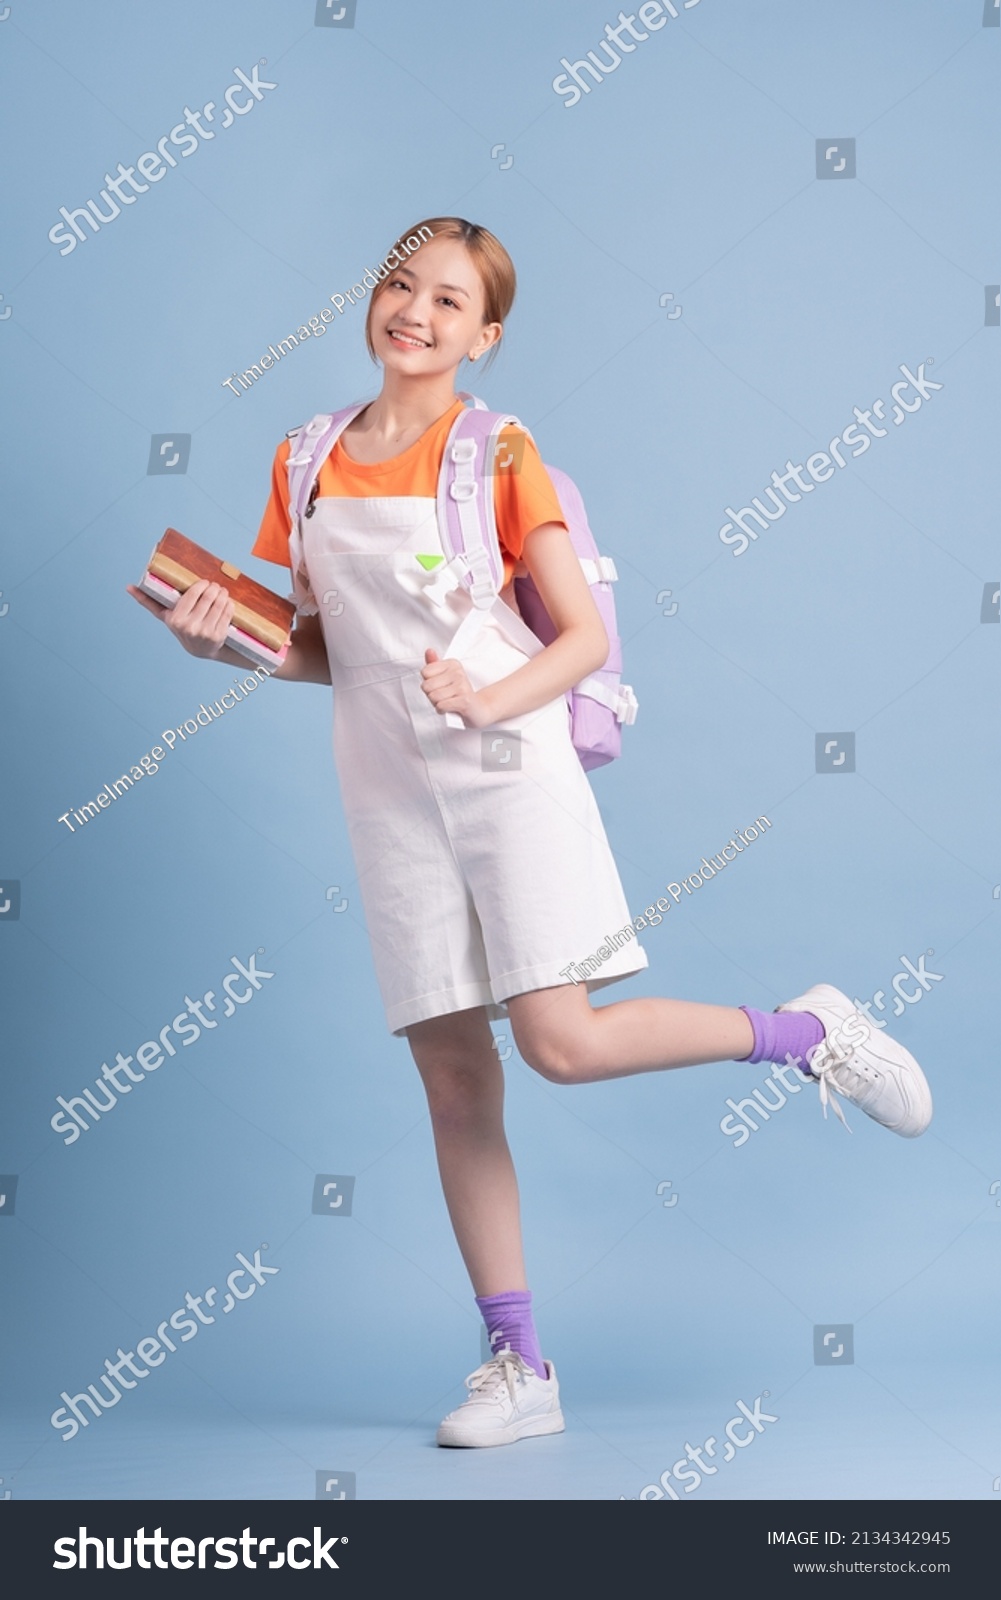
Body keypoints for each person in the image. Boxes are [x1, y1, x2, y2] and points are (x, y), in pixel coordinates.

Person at [129, 216, 932, 1451]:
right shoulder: (302, 458)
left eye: (449, 301)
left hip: (508, 767)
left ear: (483, 335)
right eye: (401, 286)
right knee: (453, 1077)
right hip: (385, 788)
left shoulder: (498, 452)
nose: (415, 311)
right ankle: (518, 1364)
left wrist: (485, 699)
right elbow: (323, 650)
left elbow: (578, 637)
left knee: (556, 1042)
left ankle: (808, 1030)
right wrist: (220, 639)